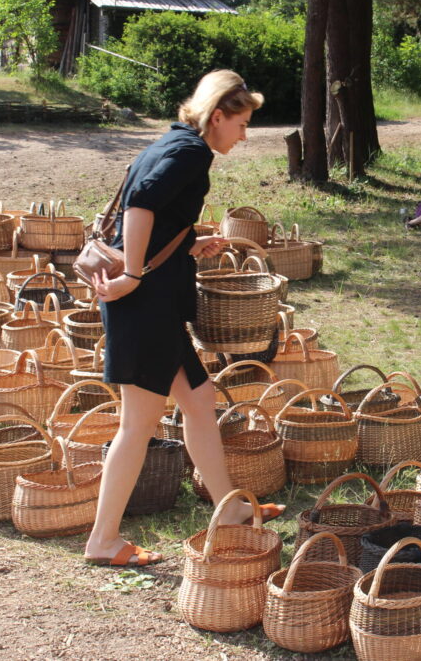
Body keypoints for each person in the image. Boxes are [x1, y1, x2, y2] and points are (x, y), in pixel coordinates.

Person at [84, 70, 283, 567]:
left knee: (199, 400)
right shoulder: (191, 152)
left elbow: (155, 215)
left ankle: (230, 510)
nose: (243, 135)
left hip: (156, 303)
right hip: (144, 303)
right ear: (218, 116)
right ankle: (103, 540)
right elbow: (141, 205)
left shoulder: (173, 141)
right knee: (138, 424)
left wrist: (188, 245)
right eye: (241, 124)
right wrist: (132, 273)